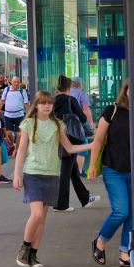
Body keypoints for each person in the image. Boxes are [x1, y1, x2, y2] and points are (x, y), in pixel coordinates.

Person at [13, 91, 93, 267]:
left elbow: (70, 148)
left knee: (42, 219)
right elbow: (21, 151)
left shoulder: (58, 125)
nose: (47, 106)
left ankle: (33, 256)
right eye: (43, 103)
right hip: (32, 173)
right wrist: (17, 174)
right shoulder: (28, 124)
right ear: (37, 105)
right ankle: (24, 249)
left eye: (50, 104)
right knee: (37, 214)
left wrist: (93, 144)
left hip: (51, 174)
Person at [89, 80, 132, 267]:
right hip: (113, 169)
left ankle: (125, 252)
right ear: (126, 91)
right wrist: (92, 165)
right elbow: (98, 141)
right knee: (121, 210)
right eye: (132, 89)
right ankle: (100, 240)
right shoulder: (112, 111)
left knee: (132, 214)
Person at [54, 75, 99, 212]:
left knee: (72, 170)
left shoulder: (53, 100)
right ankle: (61, 204)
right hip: (71, 137)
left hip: (57, 135)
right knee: (66, 170)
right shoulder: (71, 100)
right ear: (69, 88)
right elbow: (83, 116)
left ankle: (85, 198)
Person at [70, 76, 95, 173]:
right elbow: (86, 109)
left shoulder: (67, 93)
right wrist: (91, 122)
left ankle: (71, 169)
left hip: (67, 124)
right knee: (82, 145)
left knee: (70, 145)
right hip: (78, 124)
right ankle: (79, 170)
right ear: (80, 84)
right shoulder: (81, 94)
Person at [0, 76, 30, 151]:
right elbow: (2, 101)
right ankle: (12, 145)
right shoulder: (7, 89)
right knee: (8, 134)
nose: (16, 83)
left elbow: (26, 104)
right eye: (15, 82)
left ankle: (17, 151)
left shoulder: (22, 91)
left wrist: (29, 114)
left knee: (19, 135)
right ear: (11, 82)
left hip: (19, 115)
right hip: (8, 115)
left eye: (18, 82)